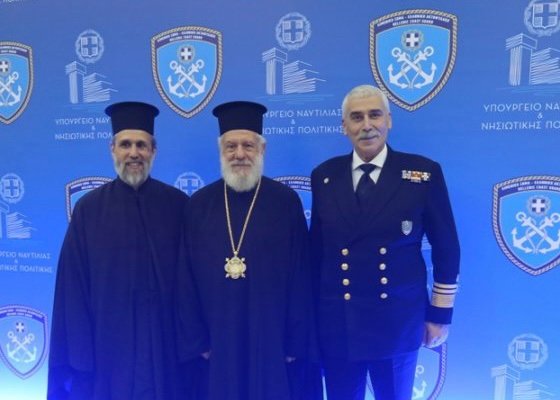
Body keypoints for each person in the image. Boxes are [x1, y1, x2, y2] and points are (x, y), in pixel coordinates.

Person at [310, 85, 460, 400]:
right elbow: (316, 254)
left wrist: (439, 315)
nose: (367, 125)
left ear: (388, 120)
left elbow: (446, 248)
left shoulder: (422, 173)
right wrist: (310, 317)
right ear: (344, 126)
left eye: (375, 115)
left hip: (397, 321)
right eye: (356, 117)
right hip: (339, 323)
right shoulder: (324, 176)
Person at [48, 101, 190, 400]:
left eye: (141, 145)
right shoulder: (89, 210)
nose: (133, 153)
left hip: (164, 347)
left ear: (153, 151)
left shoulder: (177, 206)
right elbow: (73, 288)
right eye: (125, 144)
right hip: (109, 349)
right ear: (112, 149)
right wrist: (80, 355)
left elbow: (192, 280)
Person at [176, 101, 316, 400]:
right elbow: (185, 280)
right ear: (221, 151)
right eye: (231, 146)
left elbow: (301, 276)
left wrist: (295, 340)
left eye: (248, 146)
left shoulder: (285, 202)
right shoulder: (199, 205)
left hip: (271, 339)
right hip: (216, 342)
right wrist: (198, 340)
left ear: (262, 150)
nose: (239, 154)